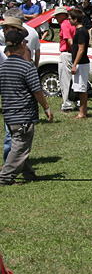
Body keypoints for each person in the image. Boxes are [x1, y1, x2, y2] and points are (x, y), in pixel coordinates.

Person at [0, 27, 52, 185]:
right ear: (22, 45)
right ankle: (5, 177)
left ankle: (29, 174)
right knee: (20, 146)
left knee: (20, 144)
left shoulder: (3, 67)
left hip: (9, 115)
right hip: (23, 115)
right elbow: (37, 91)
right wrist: (47, 108)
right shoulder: (27, 67)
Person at [68, 8, 92, 118]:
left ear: (75, 19)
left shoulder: (82, 31)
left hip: (81, 63)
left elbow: (81, 49)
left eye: (70, 18)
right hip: (79, 63)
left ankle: (83, 112)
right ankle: (82, 111)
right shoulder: (79, 31)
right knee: (78, 88)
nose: (69, 20)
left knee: (82, 88)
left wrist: (74, 64)